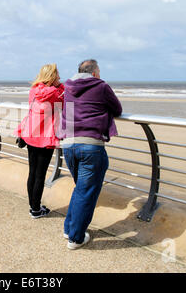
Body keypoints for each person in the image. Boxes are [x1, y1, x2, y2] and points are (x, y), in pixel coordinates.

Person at [60, 59, 122, 249]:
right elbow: (117, 109)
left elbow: (68, 112)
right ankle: (76, 238)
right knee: (86, 192)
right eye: (100, 71)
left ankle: (69, 228)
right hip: (91, 146)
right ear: (94, 73)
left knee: (80, 189)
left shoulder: (67, 88)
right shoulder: (101, 86)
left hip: (68, 144)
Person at [16, 63, 64, 219]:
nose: (60, 77)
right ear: (52, 77)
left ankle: (33, 206)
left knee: (32, 173)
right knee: (40, 175)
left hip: (31, 136)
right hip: (45, 139)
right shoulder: (57, 94)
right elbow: (67, 98)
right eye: (57, 75)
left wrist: (20, 132)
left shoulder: (34, 91)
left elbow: (30, 112)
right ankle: (36, 210)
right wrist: (60, 85)